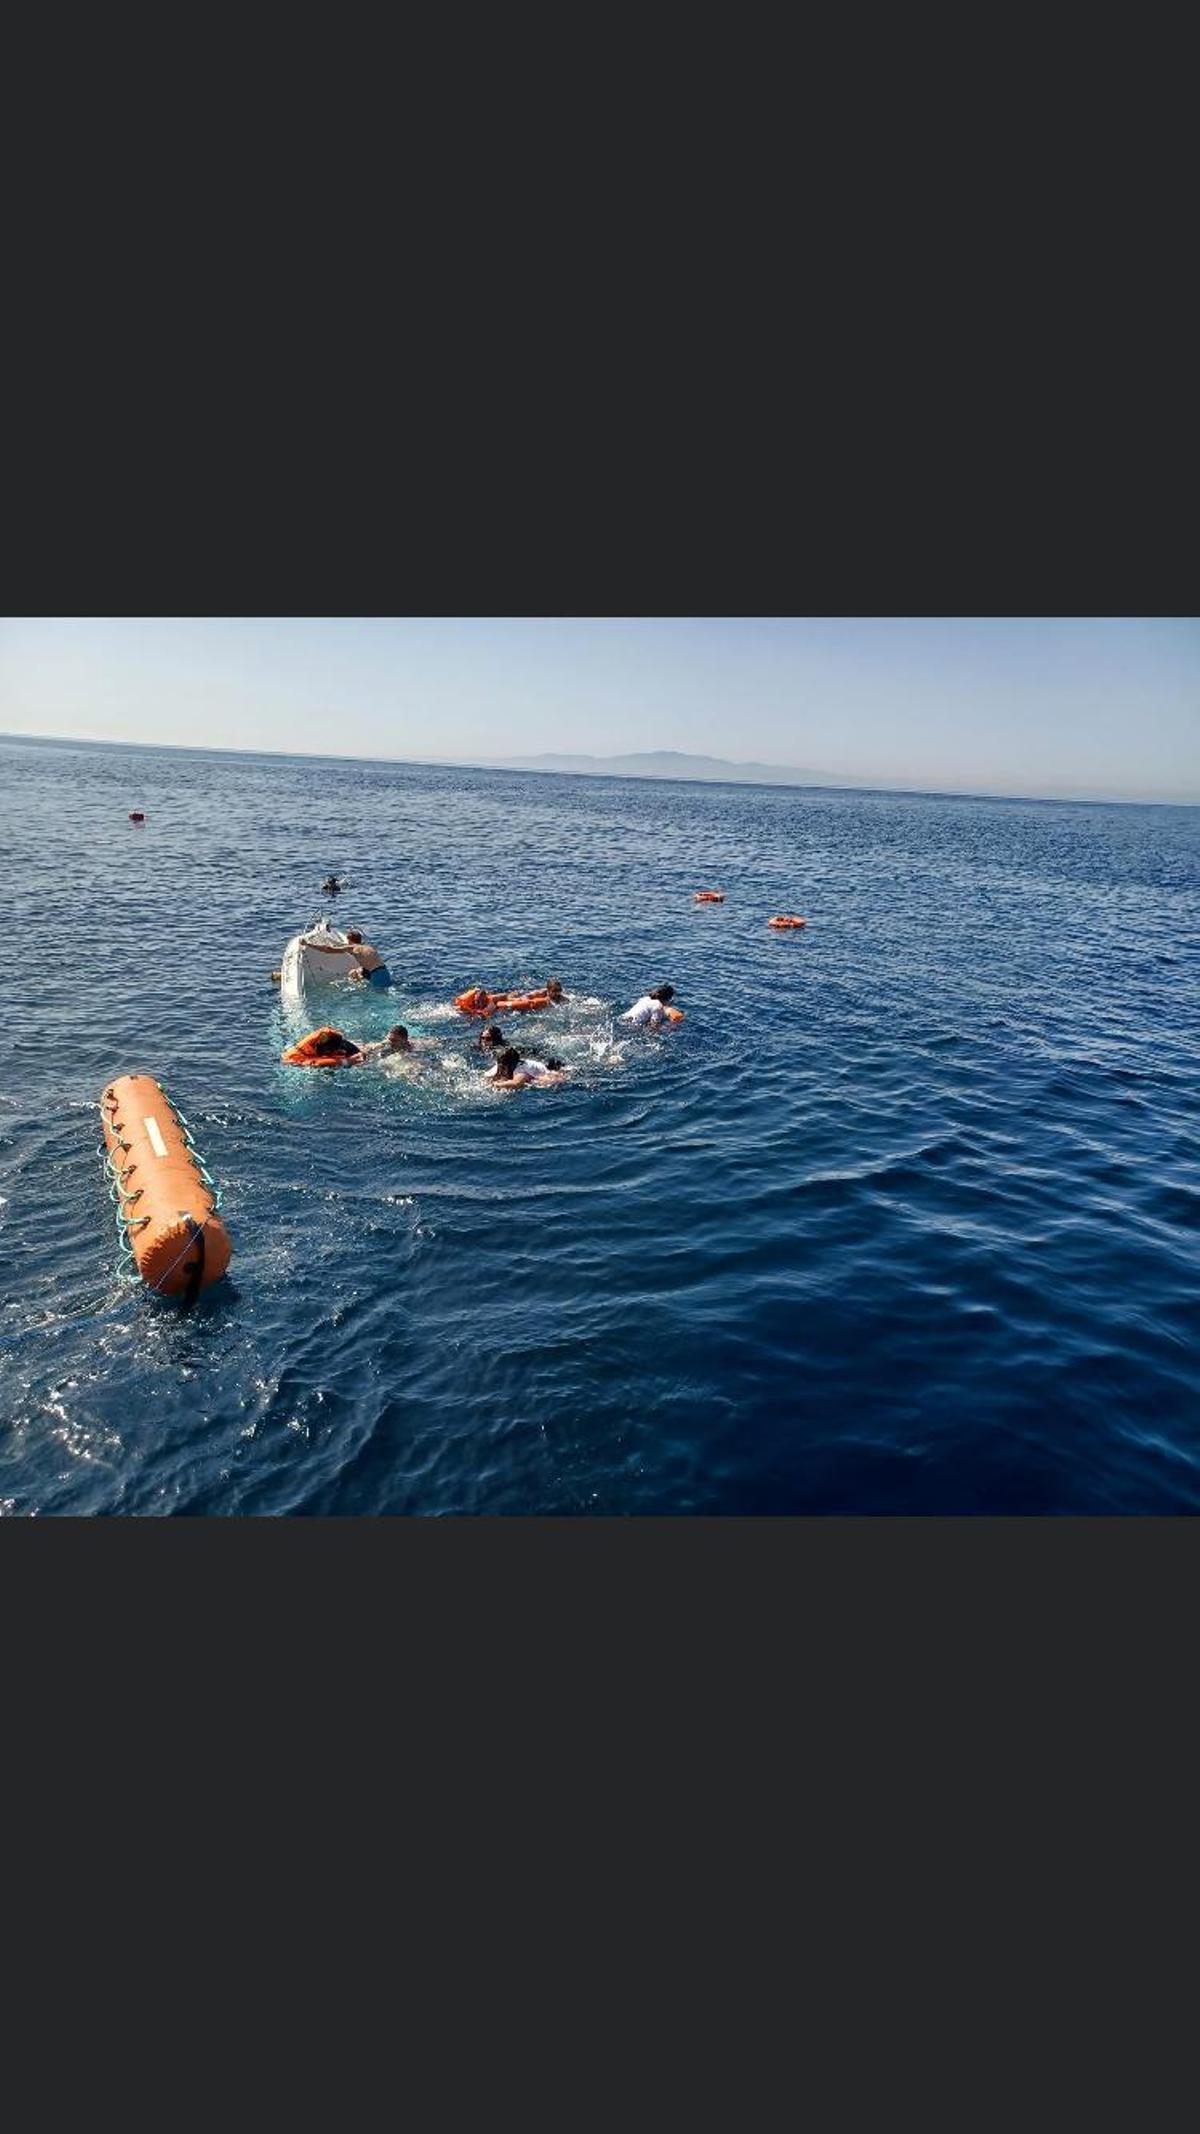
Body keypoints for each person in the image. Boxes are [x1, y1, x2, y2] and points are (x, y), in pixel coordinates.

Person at [281, 1026, 366, 1068]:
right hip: (311, 1058)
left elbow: (330, 1032)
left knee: (362, 1053)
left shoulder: (323, 1036)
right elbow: (315, 1063)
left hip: (328, 1048)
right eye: (335, 1051)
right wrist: (346, 1062)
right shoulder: (293, 1056)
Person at [487, 1045, 567, 1088]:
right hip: (538, 1063)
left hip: (550, 1067)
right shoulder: (501, 1065)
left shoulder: (520, 1069)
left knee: (552, 1080)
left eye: (503, 1064)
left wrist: (496, 1084)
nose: (501, 1066)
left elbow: (516, 1084)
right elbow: (487, 1076)